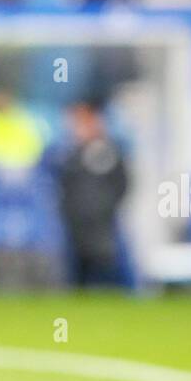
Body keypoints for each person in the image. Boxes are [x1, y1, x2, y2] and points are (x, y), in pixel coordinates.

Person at [54, 100, 128, 286]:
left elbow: (122, 183)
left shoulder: (106, 152)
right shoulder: (70, 155)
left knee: (104, 267)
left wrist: (106, 206)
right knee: (77, 272)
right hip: (75, 223)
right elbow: (63, 185)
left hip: (102, 223)